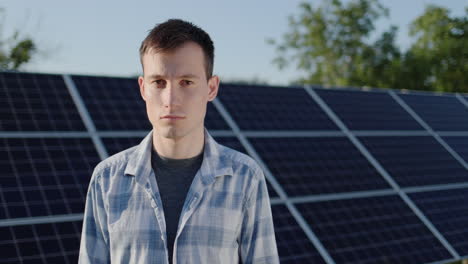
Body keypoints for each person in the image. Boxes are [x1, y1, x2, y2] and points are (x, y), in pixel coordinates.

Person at [78, 19, 279, 263]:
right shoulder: (106, 179)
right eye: (159, 82)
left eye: (186, 82)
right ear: (143, 88)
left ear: (211, 88)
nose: (171, 98)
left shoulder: (245, 177)